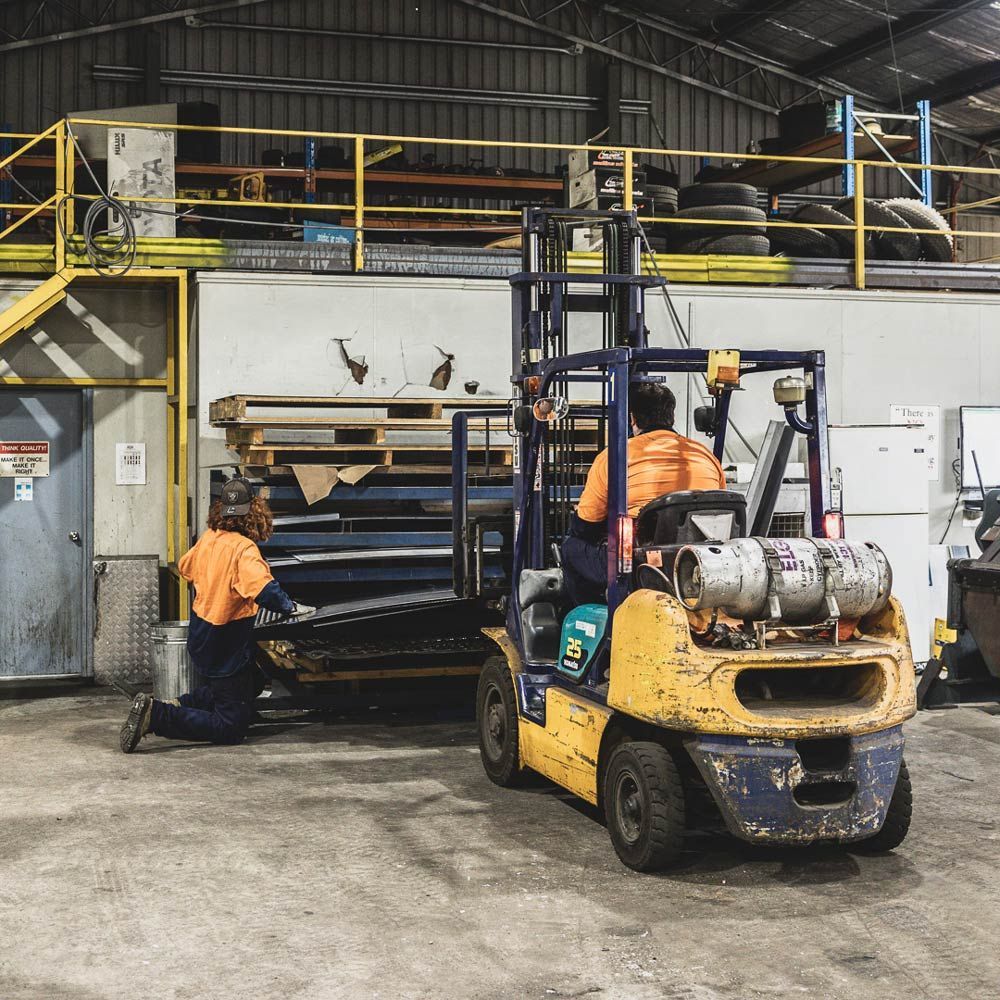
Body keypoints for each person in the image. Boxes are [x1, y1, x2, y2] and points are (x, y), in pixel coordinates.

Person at [119, 477, 314, 753]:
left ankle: (181, 703)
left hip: (201, 636)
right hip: (226, 641)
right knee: (231, 727)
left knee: (253, 681)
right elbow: (264, 589)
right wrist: (291, 607)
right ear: (254, 511)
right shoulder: (244, 549)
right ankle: (158, 716)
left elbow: (186, 568)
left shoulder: (210, 538)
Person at [561, 383, 726, 606]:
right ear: (672, 416)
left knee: (572, 548)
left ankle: (595, 623)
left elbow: (585, 525)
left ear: (632, 418)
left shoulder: (616, 455)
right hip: (699, 564)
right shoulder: (704, 454)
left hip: (642, 564)